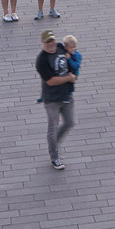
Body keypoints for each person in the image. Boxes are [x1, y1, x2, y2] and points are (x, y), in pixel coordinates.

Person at [36, 31, 75, 169]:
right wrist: (69, 78)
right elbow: (51, 81)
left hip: (67, 96)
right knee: (52, 127)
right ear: (43, 43)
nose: (51, 44)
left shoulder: (60, 48)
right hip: (52, 99)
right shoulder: (41, 60)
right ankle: (54, 157)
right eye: (47, 42)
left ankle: (54, 142)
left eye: (52, 40)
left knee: (69, 123)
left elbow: (71, 55)